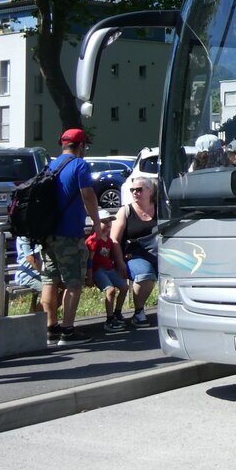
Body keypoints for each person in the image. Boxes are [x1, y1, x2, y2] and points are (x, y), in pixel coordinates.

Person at [41, 128, 105, 347]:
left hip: (48, 233)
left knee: (50, 279)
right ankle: (67, 331)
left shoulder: (51, 165)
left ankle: (51, 328)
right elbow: (87, 195)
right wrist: (97, 223)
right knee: (73, 282)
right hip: (70, 234)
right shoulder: (79, 165)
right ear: (81, 146)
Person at [111, 171, 159, 326]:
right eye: (132, 190)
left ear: (150, 191)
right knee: (145, 274)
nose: (135, 193)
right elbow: (114, 240)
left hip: (160, 254)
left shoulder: (161, 209)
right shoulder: (125, 211)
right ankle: (139, 312)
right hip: (134, 255)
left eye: (139, 190)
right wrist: (119, 262)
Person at [86, 209, 129, 333]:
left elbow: (109, 256)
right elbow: (90, 259)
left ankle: (117, 313)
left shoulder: (108, 240)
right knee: (110, 290)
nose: (108, 224)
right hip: (98, 270)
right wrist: (89, 276)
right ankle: (109, 320)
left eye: (109, 222)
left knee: (124, 287)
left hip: (109, 269)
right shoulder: (94, 240)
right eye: (104, 222)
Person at [12, 235, 43, 313]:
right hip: (28, 274)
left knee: (64, 287)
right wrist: (44, 273)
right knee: (51, 290)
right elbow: (30, 258)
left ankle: (38, 313)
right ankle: (35, 318)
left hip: (41, 273)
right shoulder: (24, 235)